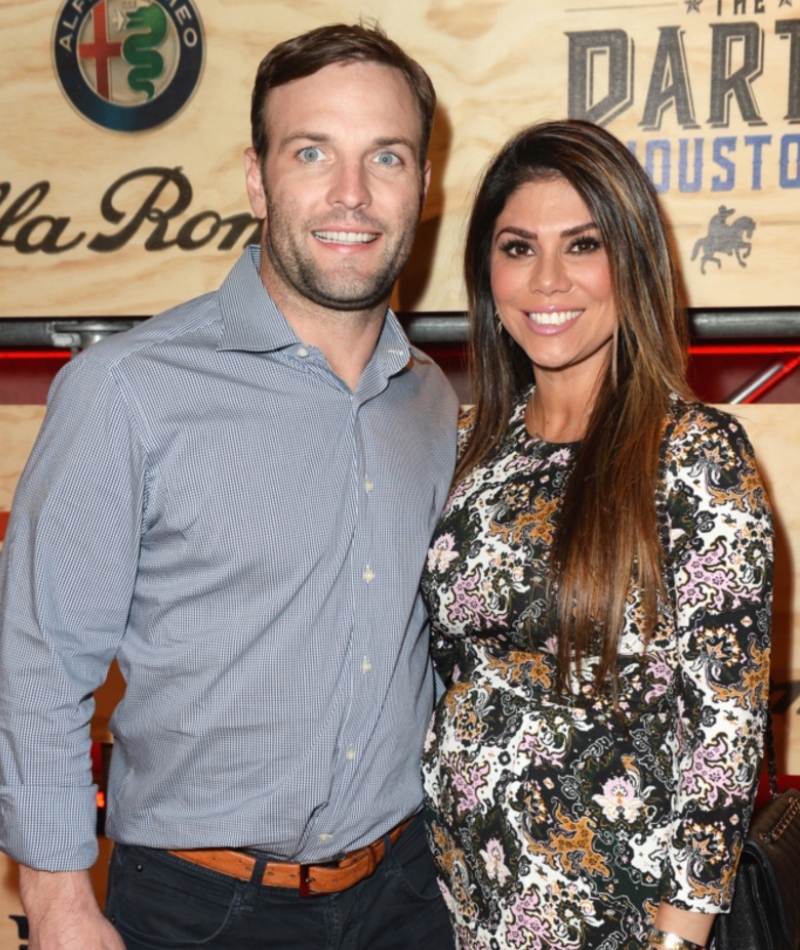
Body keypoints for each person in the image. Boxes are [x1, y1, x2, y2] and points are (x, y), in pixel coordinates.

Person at [0, 23, 459, 950]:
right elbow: (37, 667)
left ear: (423, 186)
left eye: (388, 158)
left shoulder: (433, 400)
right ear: (257, 178)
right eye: (312, 152)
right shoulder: (128, 390)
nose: (351, 195)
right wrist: (55, 903)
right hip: (199, 914)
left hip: (409, 897)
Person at [421, 120, 773, 950]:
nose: (546, 280)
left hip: (620, 924)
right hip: (461, 906)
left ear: (632, 260)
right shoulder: (473, 446)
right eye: (516, 248)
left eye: (582, 245)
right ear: (486, 272)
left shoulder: (692, 454)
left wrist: (676, 941)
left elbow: (724, 733)